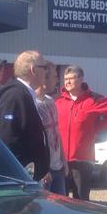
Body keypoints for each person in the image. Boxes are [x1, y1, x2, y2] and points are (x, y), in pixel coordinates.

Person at [56, 65, 107, 200]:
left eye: (71, 78)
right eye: (65, 79)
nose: (67, 82)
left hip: (82, 160)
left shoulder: (93, 99)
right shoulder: (58, 101)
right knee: (60, 200)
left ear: (81, 79)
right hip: (61, 160)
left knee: (81, 200)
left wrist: (95, 128)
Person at [0, 51, 50, 180]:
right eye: (44, 67)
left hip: (27, 178)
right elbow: (7, 139)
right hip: (18, 179)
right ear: (33, 70)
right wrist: (21, 175)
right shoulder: (15, 97)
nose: (47, 72)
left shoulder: (26, 94)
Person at [34, 62, 68, 195]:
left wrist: (64, 161)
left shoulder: (50, 101)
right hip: (44, 170)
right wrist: (42, 169)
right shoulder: (32, 103)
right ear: (44, 78)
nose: (57, 80)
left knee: (61, 206)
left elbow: (56, 132)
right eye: (54, 76)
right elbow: (34, 139)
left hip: (58, 166)